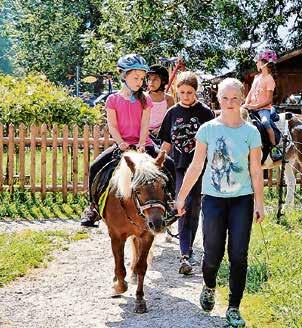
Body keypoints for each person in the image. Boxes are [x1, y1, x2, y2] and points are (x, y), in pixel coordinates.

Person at [176, 78, 264, 327]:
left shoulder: (251, 132)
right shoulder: (207, 129)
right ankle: (209, 286)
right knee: (212, 254)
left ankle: (234, 307)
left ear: (242, 99)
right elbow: (196, 166)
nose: (229, 103)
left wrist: (260, 202)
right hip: (213, 199)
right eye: (225, 98)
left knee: (238, 255)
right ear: (218, 99)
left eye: (234, 98)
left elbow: (256, 170)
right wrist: (181, 197)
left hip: (242, 201)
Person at [80, 54, 174, 227]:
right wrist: (121, 142)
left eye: (142, 78)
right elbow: (112, 126)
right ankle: (93, 207)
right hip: (122, 144)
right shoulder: (112, 100)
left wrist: (140, 143)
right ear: (123, 76)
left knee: (169, 164)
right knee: (95, 167)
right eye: (135, 77)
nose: (140, 81)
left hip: (142, 145)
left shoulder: (145, 100)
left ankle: (170, 204)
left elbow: (145, 124)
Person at [158, 71, 214, 274]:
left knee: (194, 207)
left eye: (189, 92)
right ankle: (184, 254)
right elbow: (166, 142)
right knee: (183, 205)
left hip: (200, 165)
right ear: (176, 91)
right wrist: (159, 161)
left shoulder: (205, 113)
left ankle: (188, 249)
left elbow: (213, 141)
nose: (185, 96)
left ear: (195, 91)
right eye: (181, 92)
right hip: (179, 165)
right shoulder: (172, 113)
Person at [242, 49, 282, 161]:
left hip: (263, 109)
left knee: (265, 122)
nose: (256, 63)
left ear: (264, 63)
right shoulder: (256, 77)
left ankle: (274, 148)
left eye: (258, 61)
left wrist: (255, 107)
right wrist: (245, 104)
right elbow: (250, 92)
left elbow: (269, 100)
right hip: (251, 107)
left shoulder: (270, 80)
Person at [147, 64, 175, 143]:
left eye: (155, 79)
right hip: (145, 134)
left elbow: (171, 119)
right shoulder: (143, 97)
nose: (151, 82)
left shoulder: (168, 99)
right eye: (149, 79)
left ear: (163, 81)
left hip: (163, 134)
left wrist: (161, 128)